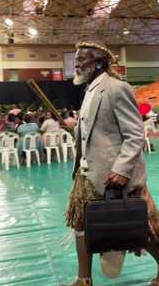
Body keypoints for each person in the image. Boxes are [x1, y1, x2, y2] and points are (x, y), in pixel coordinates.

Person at [64, 41, 159, 286]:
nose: (76, 63)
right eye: (76, 59)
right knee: (81, 226)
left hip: (114, 176)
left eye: (82, 58)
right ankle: (83, 280)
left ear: (98, 62)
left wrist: (121, 169)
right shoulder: (89, 90)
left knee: (144, 229)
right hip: (87, 175)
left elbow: (135, 134)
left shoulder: (117, 88)